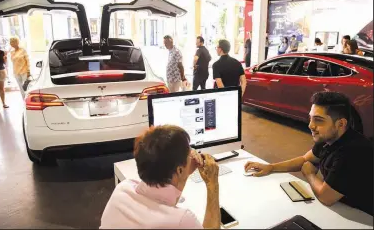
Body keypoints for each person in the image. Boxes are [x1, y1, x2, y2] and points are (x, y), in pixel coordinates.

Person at [245, 91, 373, 215]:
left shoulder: (352, 152)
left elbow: (326, 197)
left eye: (318, 120)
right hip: (344, 208)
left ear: (341, 124)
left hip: (364, 217)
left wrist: (309, 174)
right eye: (310, 118)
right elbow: (305, 159)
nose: (311, 125)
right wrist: (271, 167)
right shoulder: (328, 138)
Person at [100, 125, 220, 229]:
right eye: (189, 151)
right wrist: (212, 184)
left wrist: (185, 171)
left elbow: (165, 201)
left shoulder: (122, 190)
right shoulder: (182, 221)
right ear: (179, 170)